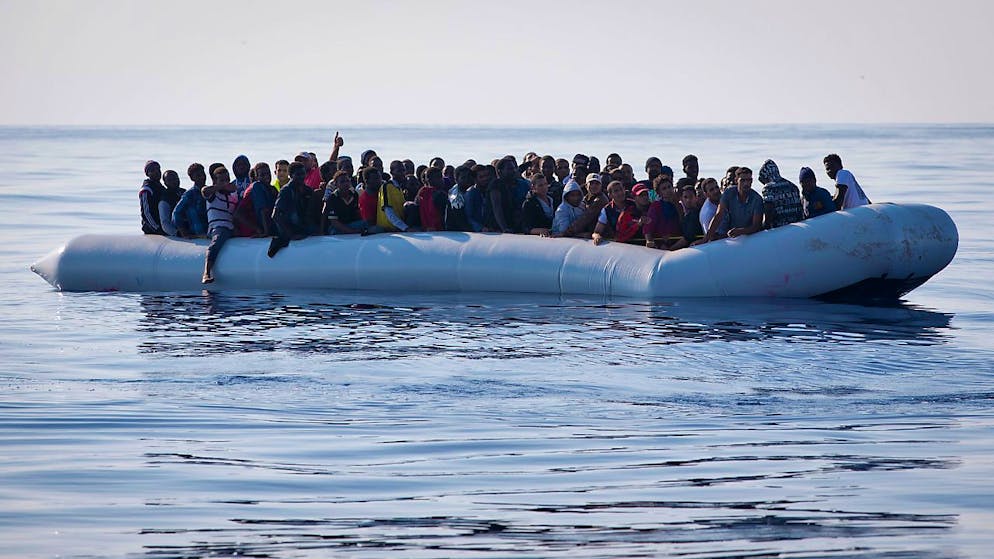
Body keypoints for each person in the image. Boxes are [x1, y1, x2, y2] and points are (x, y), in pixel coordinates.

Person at [703, 166, 763, 242]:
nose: (746, 183)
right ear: (736, 180)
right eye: (743, 180)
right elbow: (719, 215)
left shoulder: (757, 199)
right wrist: (706, 238)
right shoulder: (729, 192)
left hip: (749, 238)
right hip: (732, 236)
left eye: (749, 180)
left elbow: (756, 226)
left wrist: (740, 231)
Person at [201, 166, 238, 283]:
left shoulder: (231, 196)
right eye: (221, 180)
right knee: (217, 241)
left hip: (231, 227)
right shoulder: (213, 195)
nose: (225, 183)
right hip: (218, 227)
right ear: (215, 182)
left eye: (227, 180)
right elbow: (204, 191)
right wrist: (221, 186)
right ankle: (206, 272)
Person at [268, 161, 311, 257]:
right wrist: (291, 235)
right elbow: (275, 215)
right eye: (298, 174)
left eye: (303, 173)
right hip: (290, 228)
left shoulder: (307, 190)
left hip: (303, 227)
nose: (301, 176)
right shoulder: (286, 191)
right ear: (291, 175)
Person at [758, 159, 803, 229]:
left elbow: (769, 210)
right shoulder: (793, 186)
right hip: (797, 226)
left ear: (766, 176)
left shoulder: (768, 188)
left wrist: (765, 227)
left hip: (779, 228)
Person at [238, 162, 279, 237]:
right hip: (255, 228)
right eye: (262, 175)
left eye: (268, 173)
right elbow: (238, 214)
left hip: (269, 225)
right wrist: (262, 231)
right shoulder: (256, 186)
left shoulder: (272, 189)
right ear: (256, 177)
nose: (267, 176)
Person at [643, 177, 684, 250]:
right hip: (661, 245)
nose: (668, 190)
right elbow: (648, 227)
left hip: (678, 244)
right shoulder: (656, 206)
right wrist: (649, 241)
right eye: (664, 189)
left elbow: (683, 222)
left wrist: (676, 205)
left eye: (669, 187)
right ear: (659, 193)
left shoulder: (681, 204)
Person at [593, 180, 636, 245]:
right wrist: (597, 236)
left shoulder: (634, 204)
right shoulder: (606, 210)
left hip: (638, 244)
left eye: (621, 189)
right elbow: (596, 232)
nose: (620, 193)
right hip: (618, 244)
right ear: (610, 195)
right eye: (616, 191)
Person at [173, 163, 209, 238]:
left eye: (203, 174)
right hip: (198, 233)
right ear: (192, 178)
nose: (202, 177)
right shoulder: (189, 194)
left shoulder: (210, 191)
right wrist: (184, 232)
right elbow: (176, 213)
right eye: (198, 176)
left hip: (209, 232)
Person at [446, 164, 484, 232]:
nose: (467, 180)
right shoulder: (454, 197)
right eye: (463, 178)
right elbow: (461, 219)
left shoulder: (474, 191)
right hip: (459, 233)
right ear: (456, 180)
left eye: (469, 177)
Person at [373, 165, 409, 233]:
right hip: (387, 231)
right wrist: (405, 228)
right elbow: (388, 211)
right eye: (399, 171)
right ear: (392, 172)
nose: (402, 173)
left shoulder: (399, 188)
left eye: (403, 170)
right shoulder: (387, 186)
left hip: (397, 229)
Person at [139, 160, 165, 235]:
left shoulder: (161, 187)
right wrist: (157, 228)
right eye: (153, 170)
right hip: (152, 229)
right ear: (148, 174)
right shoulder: (146, 189)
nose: (157, 172)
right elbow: (146, 213)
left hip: (163, 226)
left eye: (158, 169)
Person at [417, 167, 448, 231]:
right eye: (438, 177)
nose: (442, 180)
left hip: (427, 230)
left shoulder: (421, 193)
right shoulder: (440, 195)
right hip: (440, 230)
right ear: (429, 180)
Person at [158, 169, 184, 237]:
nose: (174, 181)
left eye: (175, 178)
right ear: (165, 183)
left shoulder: (184, 193)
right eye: (170, 180)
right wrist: (177, 233)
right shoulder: (165, 199)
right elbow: (165, 222)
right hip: (177, 232)